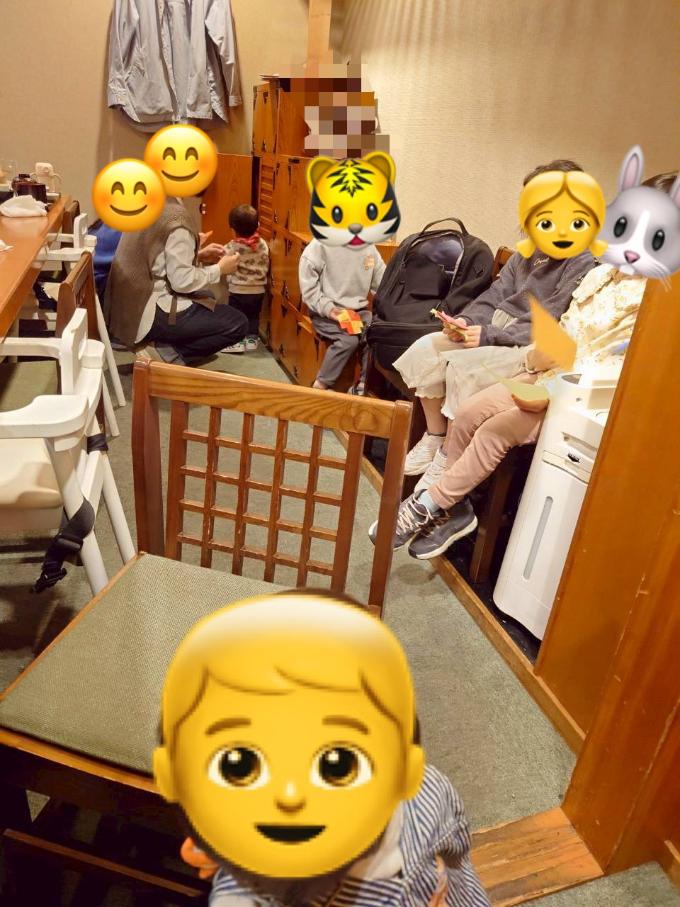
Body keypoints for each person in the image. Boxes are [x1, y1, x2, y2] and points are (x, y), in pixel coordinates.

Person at [153, 590, 491, 907]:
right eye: (238, 765)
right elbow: (459, 852)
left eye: (337, 764)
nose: (289, 796)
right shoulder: (429, 790)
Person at [369, 244, 656, 559]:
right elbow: (556, 326)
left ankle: (428, 503)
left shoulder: (650, 298)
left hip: (577, 391)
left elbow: (602, 353)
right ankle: (454, 502)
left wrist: (510, 345)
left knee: (492, 429)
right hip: (544, 368)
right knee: (467, 413)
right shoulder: (600, 276)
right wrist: (473, 326)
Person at [394, 160, 597, 483]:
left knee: (463, 369)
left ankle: (447, 456)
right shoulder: (527, 253)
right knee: (425, 348)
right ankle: (435, 435)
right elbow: (495, 294)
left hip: (525, 343)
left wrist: (488, 335)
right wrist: (464, 322)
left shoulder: (582, 261)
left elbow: (551, 317)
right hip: (494, 330)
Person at [105, 196, 248, 365]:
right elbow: (182, 282)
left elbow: (156, 258)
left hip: (126, 309)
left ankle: (163, 347)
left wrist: (198, 255)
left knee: (207, 297)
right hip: (147, 309)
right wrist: (220, 269)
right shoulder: (178, 218)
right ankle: (165, 354)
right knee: (237, 324)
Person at [299, 229, 386, 395]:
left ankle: (363, 385)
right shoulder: (321, 244)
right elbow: (309, 289)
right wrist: (330, 310)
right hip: (327, 312)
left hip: (358, 313)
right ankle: (320, 385)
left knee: (374, 332)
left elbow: (382, 282)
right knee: (348, 340)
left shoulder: (369, 247)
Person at [221, 204, 270, 354]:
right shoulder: (262, 244)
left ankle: (237, 341)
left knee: (236, 316)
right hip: (258, 290)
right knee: (253, 315)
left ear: (233, 230)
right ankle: (252, 339)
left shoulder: (232, 247)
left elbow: (223, 260)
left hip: (238, 289)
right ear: (257, 226)